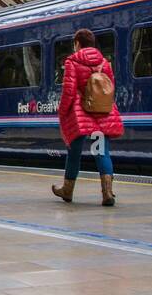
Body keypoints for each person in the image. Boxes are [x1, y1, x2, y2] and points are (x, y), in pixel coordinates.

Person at [53, 27, 124, 207]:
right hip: (101, 112)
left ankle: (67, 190)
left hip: (80, 116)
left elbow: (69, 91)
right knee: (102, 152)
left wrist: (62, 112)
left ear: (77, 43)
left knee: (74, 152)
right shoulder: (105, 63)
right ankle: (107, 192)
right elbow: (109, 88)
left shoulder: (72, 62)